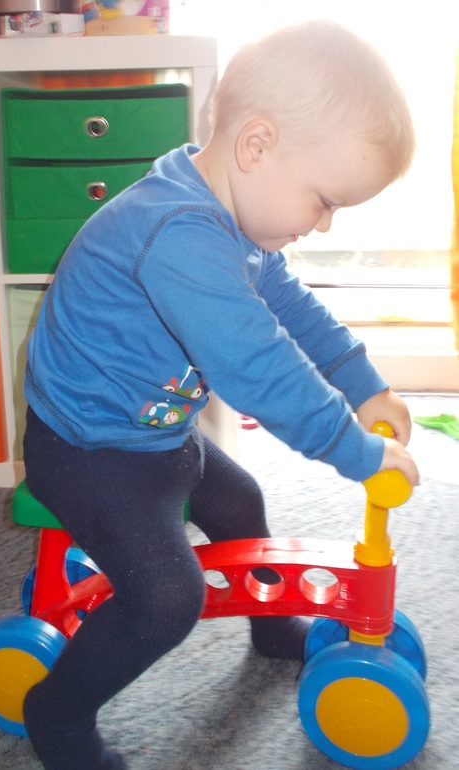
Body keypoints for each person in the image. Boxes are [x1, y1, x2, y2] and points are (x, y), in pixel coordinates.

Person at [22, 20, 419, 770]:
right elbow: (258, 367)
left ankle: (270, 628)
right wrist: (355, 451)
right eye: (324, 201)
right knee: (168, 599)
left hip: (155, 431)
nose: (322, 225)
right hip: (86, 448)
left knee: (240, 505)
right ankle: (57, 712)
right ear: (256, 145)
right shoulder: (179, 232)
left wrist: (364, 383)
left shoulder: (234, 220)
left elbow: (293, 309)